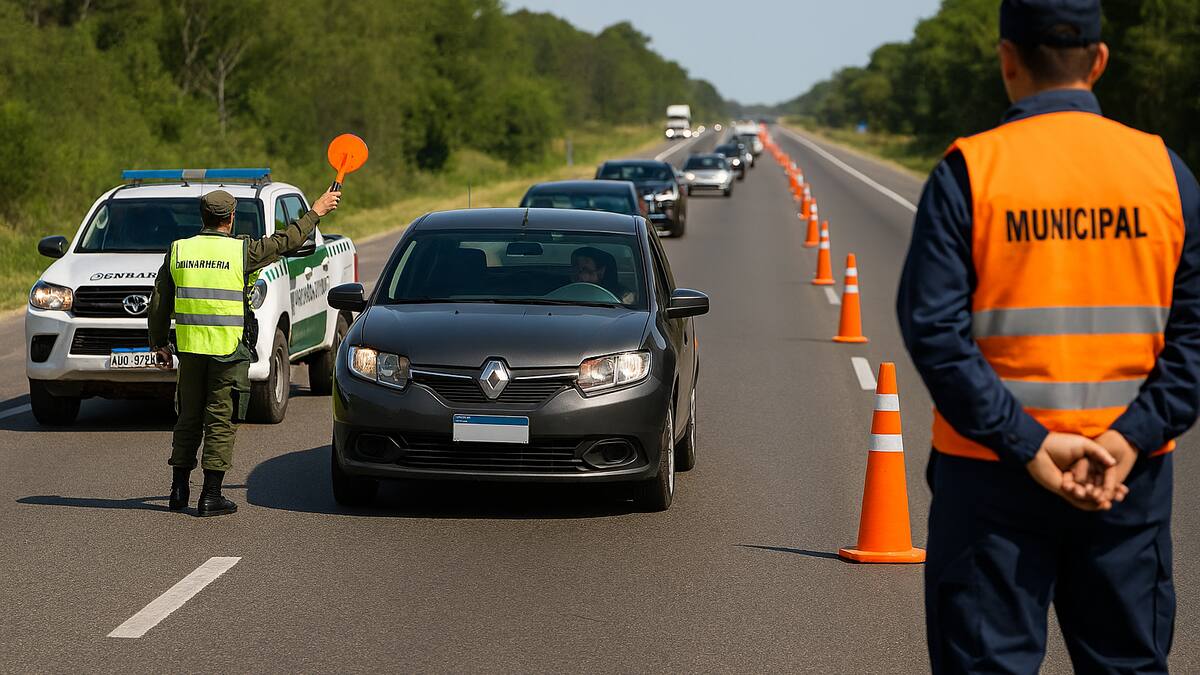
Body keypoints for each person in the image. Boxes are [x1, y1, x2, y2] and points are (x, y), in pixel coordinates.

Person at [896, 0, 1200, 671]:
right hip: (1126, 480)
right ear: (1100, 61)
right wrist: (1127, 438)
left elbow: (934, 331)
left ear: (1007, 59)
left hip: (990, 479)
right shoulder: (1166, 173)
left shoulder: (970, 171)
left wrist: (1029, 443)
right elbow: (1194, 342)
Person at [148, 188, 341, 517]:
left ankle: (178, 490)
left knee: (188, 418)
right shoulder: (241, 251)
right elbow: (287, 241)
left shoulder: (179, 250)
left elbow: (159, 301)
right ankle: (211, 496)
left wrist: (159, 343)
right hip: (226, 350)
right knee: (220, 419)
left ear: (203, 217)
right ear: (231, 217)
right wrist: (316, 211)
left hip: (190, 350)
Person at [570, 246, 635, 304]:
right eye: (576, 268)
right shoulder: (566, 292)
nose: (578, 274)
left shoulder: (622, 297)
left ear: (601, 272)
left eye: (585, 270)